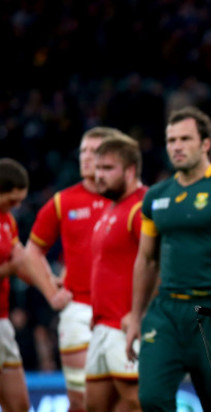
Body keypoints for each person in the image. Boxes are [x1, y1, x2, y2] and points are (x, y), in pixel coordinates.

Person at [125, 107, 211, 412]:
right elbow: (146, 261)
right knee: (151, 398)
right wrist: (136, 317)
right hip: (166, 312)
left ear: (205, 144)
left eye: (185, 139)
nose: (176, 146)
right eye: (171, 140)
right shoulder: (156, 196)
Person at [26, 127, 127, 411]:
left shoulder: (130, 199)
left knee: (123, 401)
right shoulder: (63, 201)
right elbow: (32, 250)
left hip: (121, 312)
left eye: (94, 151)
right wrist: (51, 293)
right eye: (83, 150)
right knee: (82, 401)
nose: (85, 157)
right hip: (78, 310)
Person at [85, 136, 147, 412]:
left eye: (107, 168)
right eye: (97, 168)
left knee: (136, 402)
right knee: (97, 406)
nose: (99, 175)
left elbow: (158, 263)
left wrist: (139, 314)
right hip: (101, 325)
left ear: (130, 170)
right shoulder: (112, 208)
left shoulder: (140, 207)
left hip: (124, 328)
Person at [0, 158, 31, 412]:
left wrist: (52, 285)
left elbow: (22, 260)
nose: (17, 206)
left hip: (3, 321)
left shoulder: (7, 220)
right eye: (12, 200)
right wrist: (10, 269)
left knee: (19, 406)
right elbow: (15, 264)